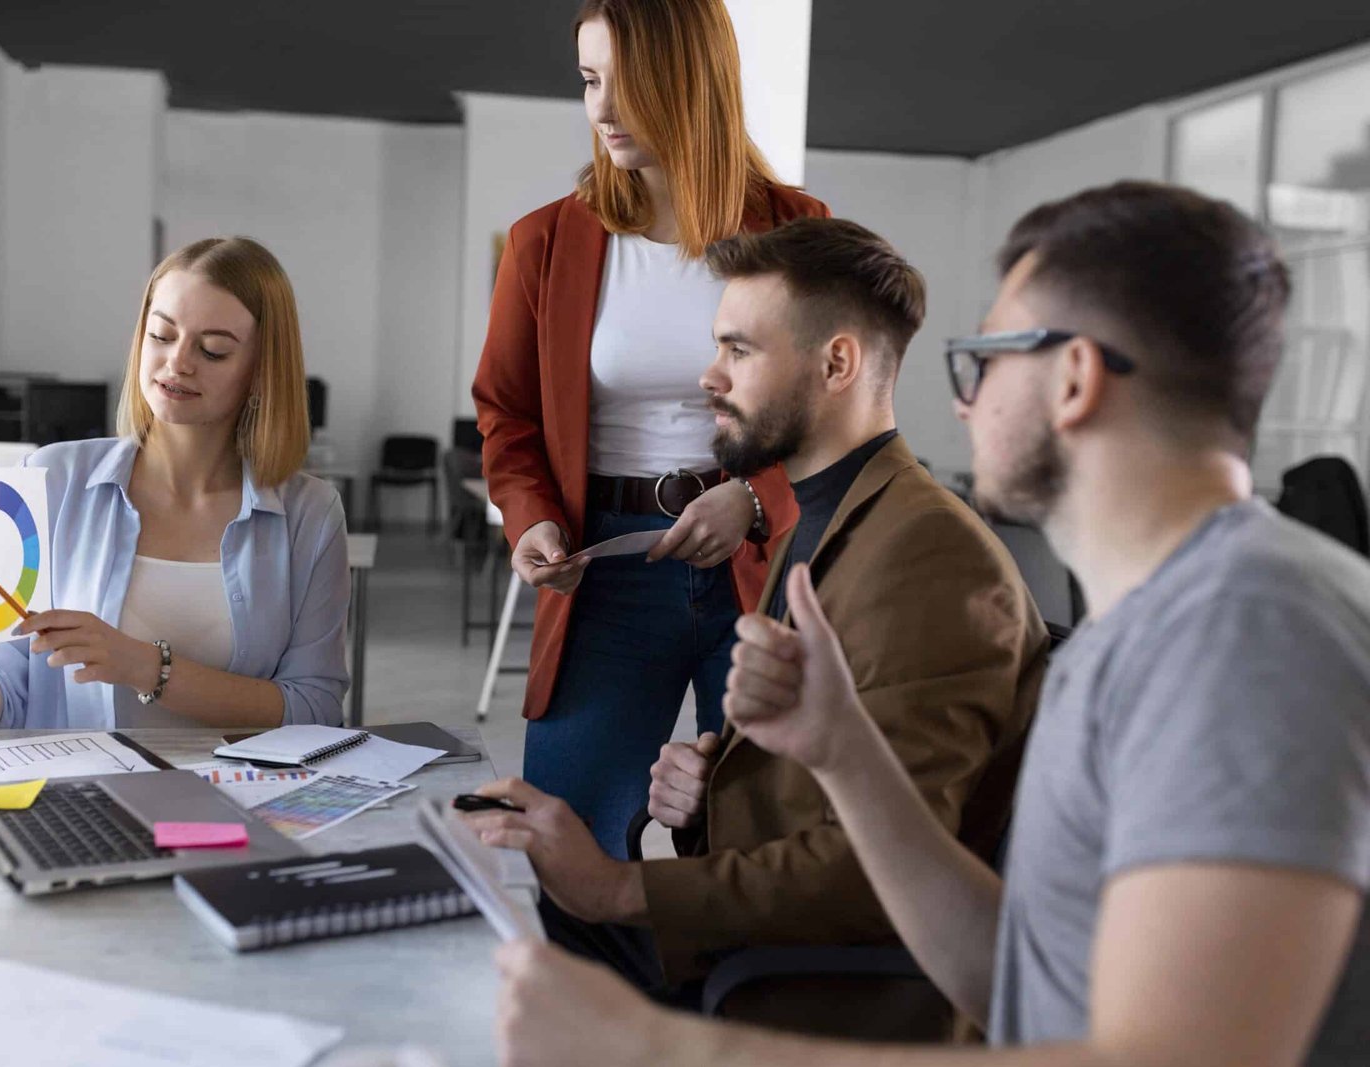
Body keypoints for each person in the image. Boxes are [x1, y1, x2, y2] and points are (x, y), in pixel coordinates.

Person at [492, 181, 1370, 1067]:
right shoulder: (1154, 623)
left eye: (985, 359)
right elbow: (1016, 980)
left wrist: (656, 1042)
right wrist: (844, 756)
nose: (962, 403)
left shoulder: (1244, 634)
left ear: (1073, 378)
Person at [469, 217, 1047, 1036]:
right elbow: (830, 786)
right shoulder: (818, 520)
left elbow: (880, 866)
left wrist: (617, 886)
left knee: (537, 949)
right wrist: (714, 789)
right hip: (767, 942)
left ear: (836, 363)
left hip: (818, 987)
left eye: (738, 350)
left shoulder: (926, 559)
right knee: (520, 919)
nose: (709, 377)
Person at [470, 0, 831, 856]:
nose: (602, 108)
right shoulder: (545, 241)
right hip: (605, 567)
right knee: (570, 839)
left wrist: (751, 498)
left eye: (627, 83)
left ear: (692, 81)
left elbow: (833, 410)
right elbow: (507, 413)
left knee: (756, 842)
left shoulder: (798, 231)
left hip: (759, 565)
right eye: (589, 80)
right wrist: (532, 520)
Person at [0, 237, 350, 730]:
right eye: (161, 335)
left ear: (262, 370)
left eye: (213, 350)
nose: (177, 363)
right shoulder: (50, 481)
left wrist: (146, 666)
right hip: (85, 777)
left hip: (235, 780)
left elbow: (314, 707)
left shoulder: (310, 514)